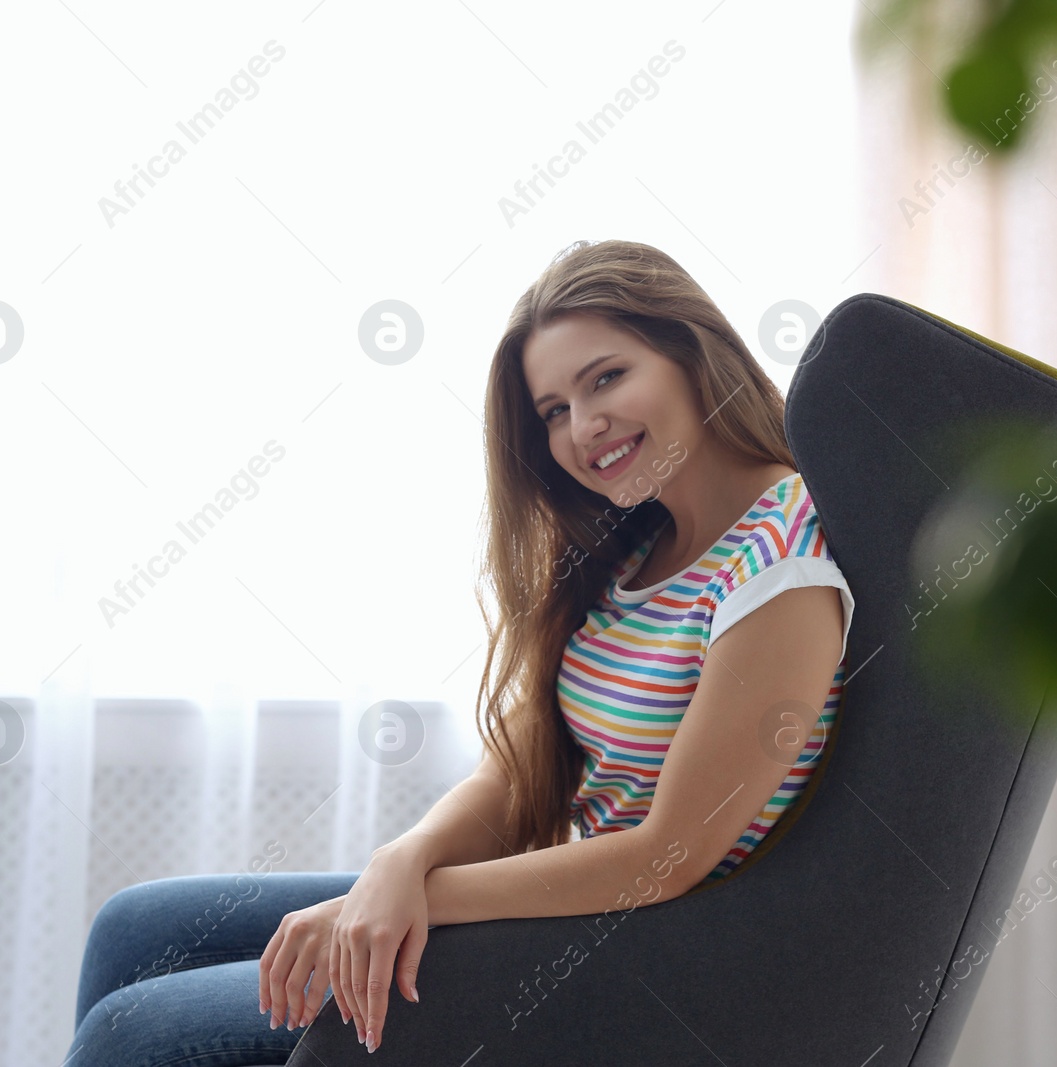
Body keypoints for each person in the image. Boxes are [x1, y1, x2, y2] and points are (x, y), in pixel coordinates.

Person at [65, 238, 853, 1063]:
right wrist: (400, 861)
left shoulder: (778, 562)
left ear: (692, 353)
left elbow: (666, 856)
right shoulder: (633, 544)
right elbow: (518, 766)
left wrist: (422, 899)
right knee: (131, 931)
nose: (584, 428)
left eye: (606, 378)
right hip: (562, 905)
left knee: (134, 1036)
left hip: (646, 955)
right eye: (553, 410)